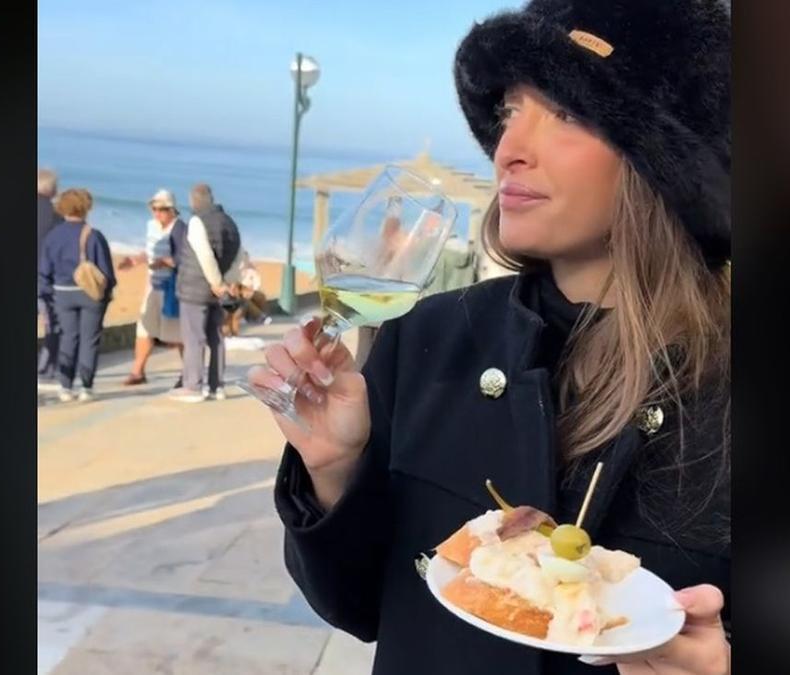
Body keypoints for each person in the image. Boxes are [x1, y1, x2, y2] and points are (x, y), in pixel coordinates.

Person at [249, 1, 731, 674]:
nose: (508, 149)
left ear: (665, 158)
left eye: (564, 112)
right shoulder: (430, 337)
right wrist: (335, 470)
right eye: (509, 112)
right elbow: (357, 605)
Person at [39, 188, 115, 402]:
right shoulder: (93, 235)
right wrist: (107, 295)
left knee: (68, 338)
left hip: (62, 294)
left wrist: (46, 293)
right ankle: (86, 387)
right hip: (90, 294)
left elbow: (45, 270)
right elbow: (106, 272)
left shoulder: (53, 236)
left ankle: (65, 386)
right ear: (86, 208)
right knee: (89, 339)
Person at [169, 183, 244, 402]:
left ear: (194, 200)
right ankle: (216, 385)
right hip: (218, 290)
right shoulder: (229, 222)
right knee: (216, 336)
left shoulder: (196, 221)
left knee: (194, 337)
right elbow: (239, 254)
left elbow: (204, 254)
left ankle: (193, 386)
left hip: (196, 288)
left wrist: (216, 283)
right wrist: (227, 282)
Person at [118, 189, 184, 386]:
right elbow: (149, 252)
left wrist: (166, 262)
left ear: (172, 210)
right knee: (144, 329)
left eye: (162, 209)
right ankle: (138, 371)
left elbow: (185, 258)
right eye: (154, 208)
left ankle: (187, 372)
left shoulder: (180, 229)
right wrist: (134, 260)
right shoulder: (152, 226)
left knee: (177, 333)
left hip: (171, 288)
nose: (157, 213)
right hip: (153, 285)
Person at [37, 168, 64, 390]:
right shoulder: (56, 218)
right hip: (46, 278)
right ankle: (45, 370)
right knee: (51, 325)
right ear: (51, 189)